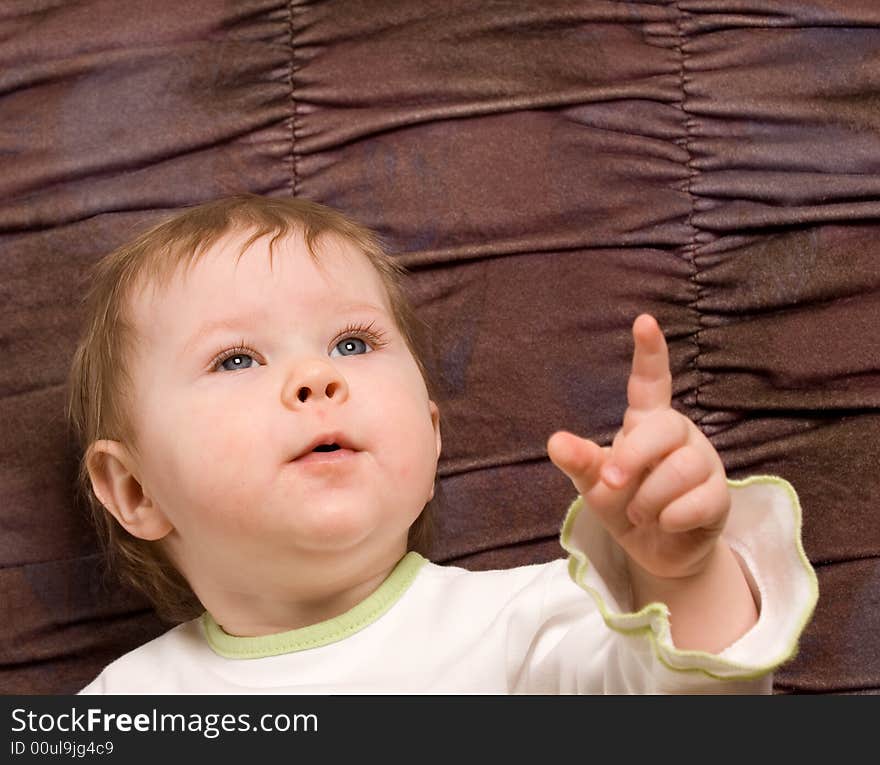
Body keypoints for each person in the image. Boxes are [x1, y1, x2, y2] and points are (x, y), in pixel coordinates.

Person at [69, 194, 817, 694]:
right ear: (135, 490)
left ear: (431, 437)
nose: (316, 376)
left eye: (354, 343)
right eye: (236, 358)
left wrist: (682, 575)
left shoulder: (540, 621)